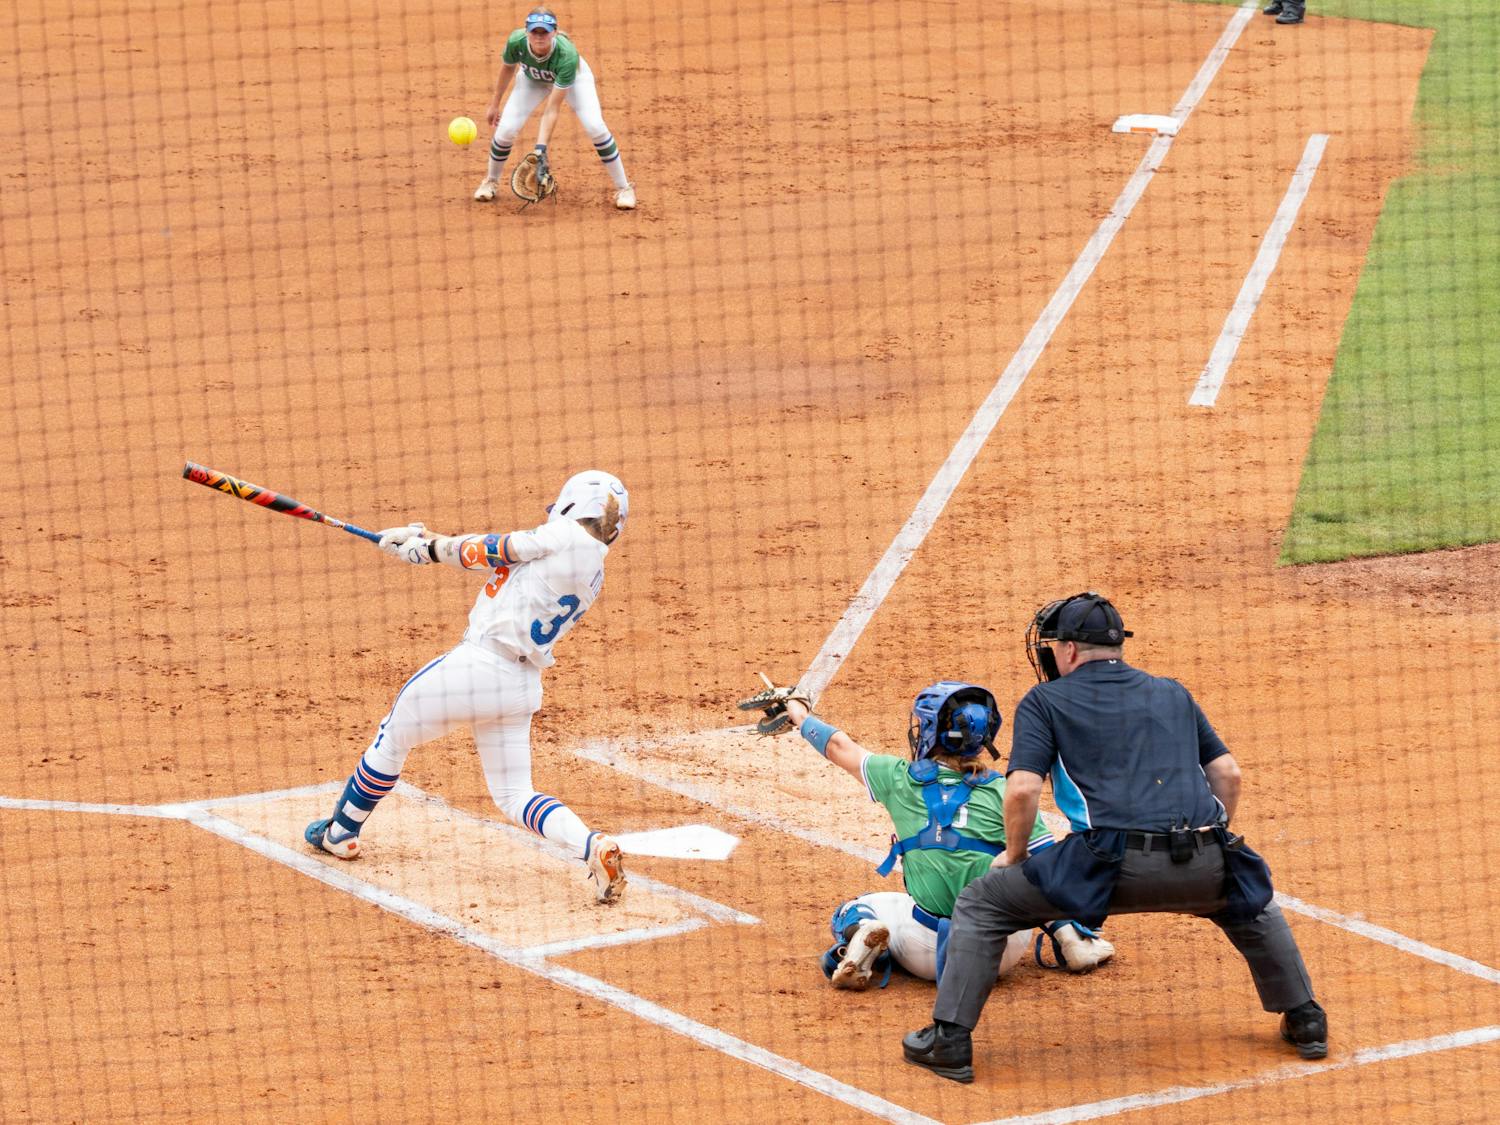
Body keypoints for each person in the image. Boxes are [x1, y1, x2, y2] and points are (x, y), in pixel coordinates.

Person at [902, 593, 1326, 1084]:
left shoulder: (1046, 700)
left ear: (1067, 650)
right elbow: (1228, 774)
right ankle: (1306, 1018)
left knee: (984, 902)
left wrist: (1014, 856)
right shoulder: (1172, 692)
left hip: (1106, 871)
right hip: (1204, 858)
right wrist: (1214, 844)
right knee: (1251, 903)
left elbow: (1020, 789)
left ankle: (950, 1041)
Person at [304, 470, 631, 905]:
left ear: (573, 506)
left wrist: (430, 551)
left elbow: (494, 548)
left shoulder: (562, 536)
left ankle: (341, 833)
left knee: (392, 738)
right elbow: (504, 558)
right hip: (520, 686)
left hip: (477, 668)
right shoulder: (591, 571)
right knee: (516, 795)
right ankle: (593, 845)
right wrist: (423, 540)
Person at [769, 683, 1115, 991]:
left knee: (854, 908)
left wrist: (799, 713)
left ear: (931, 732)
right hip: (1000, 952)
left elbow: (838, 747)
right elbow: (1049, 867)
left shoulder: (897, 777)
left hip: (926, 951)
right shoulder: (1006, 790)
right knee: (1029, 873)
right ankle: (1074, 941)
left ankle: (863, 935)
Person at [472, 7, 636, 210]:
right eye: (534, 31)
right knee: (505, 131)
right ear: (526, 32)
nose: (539, 37)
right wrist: (494, 104)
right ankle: (490, 181)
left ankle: (624, 188)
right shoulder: (516, 41)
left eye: (545, 31)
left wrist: (540, 149)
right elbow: (508, 67)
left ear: (555, 32)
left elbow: (552, 109)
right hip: (533, 80)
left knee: (595, 127)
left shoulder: (567, 56)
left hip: (575, 81)